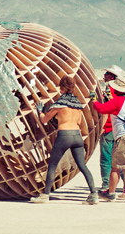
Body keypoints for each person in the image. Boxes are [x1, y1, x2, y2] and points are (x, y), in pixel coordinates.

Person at [30, 75, 98, 205]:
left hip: (64, 135)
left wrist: (40, 111)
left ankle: (45, 195)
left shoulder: (59, 104)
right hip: (76, 136)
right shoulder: (77, 104)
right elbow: (78, 121)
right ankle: (93, 194)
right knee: (82, 166)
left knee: (53, 165)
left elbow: (44, 120)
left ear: (61, 88)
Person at [96, 65, 125, 195]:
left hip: (108, 127)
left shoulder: (109, 89)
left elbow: (106, 110)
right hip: (119, 128)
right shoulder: (121, 91)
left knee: (106, 159)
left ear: (111, 77)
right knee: (118, 159)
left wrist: (101, 127)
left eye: (106, 74)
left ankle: (106, 185)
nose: (104, 76)